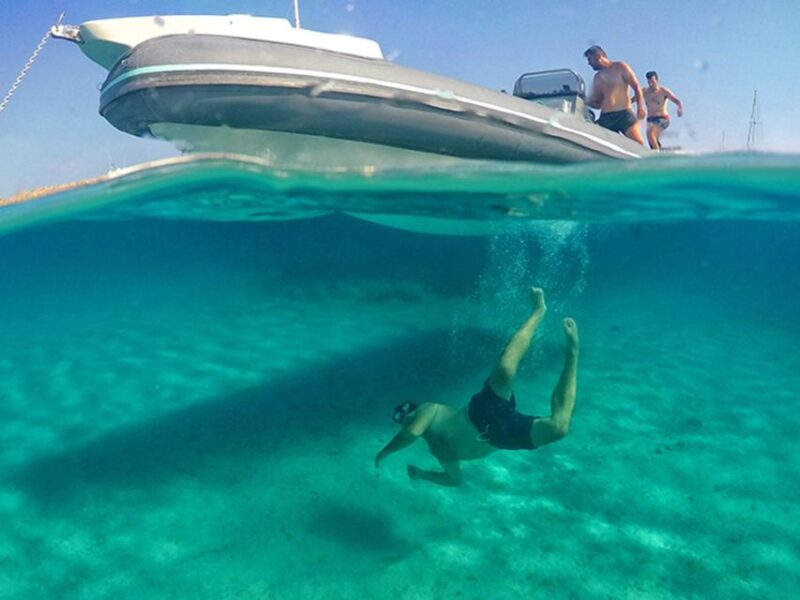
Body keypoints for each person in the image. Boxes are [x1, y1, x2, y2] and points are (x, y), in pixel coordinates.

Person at [374, 288, 579, 487]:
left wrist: (385, 452)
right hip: (500, 437)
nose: (401, 415)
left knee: (506, 368)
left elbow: (412, 432)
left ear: (413, 409)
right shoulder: (437, 450)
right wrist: (422, 475)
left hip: (481, 412)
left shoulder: (428, 409)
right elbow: (454, 481)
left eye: (403, 410)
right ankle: (573, 355)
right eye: (398, 417)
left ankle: (538, 311)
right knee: (559, 428)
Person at [583, 45, 645, 145]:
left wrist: (640, 108)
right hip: (605, 118)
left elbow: (636, 86)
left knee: (638, 143)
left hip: (624, 115)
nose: (589, 63)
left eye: (590, 59)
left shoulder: (620, 67)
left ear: (598, 56)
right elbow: (597, 104)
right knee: (596, 143)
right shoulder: (597, 78)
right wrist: (584, 100)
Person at [641, 71, 684, 150]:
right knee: (652, 143)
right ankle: (661, 152)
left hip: (662, 119)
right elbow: (633, 99)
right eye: (648, 81)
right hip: (650, 120)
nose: (650, 84)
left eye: (652, 81)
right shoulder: (644, 91)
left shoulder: (663, 91)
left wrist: (680, 109)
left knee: (650, 134)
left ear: (657, 80)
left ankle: (657, 156)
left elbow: (678, 101)